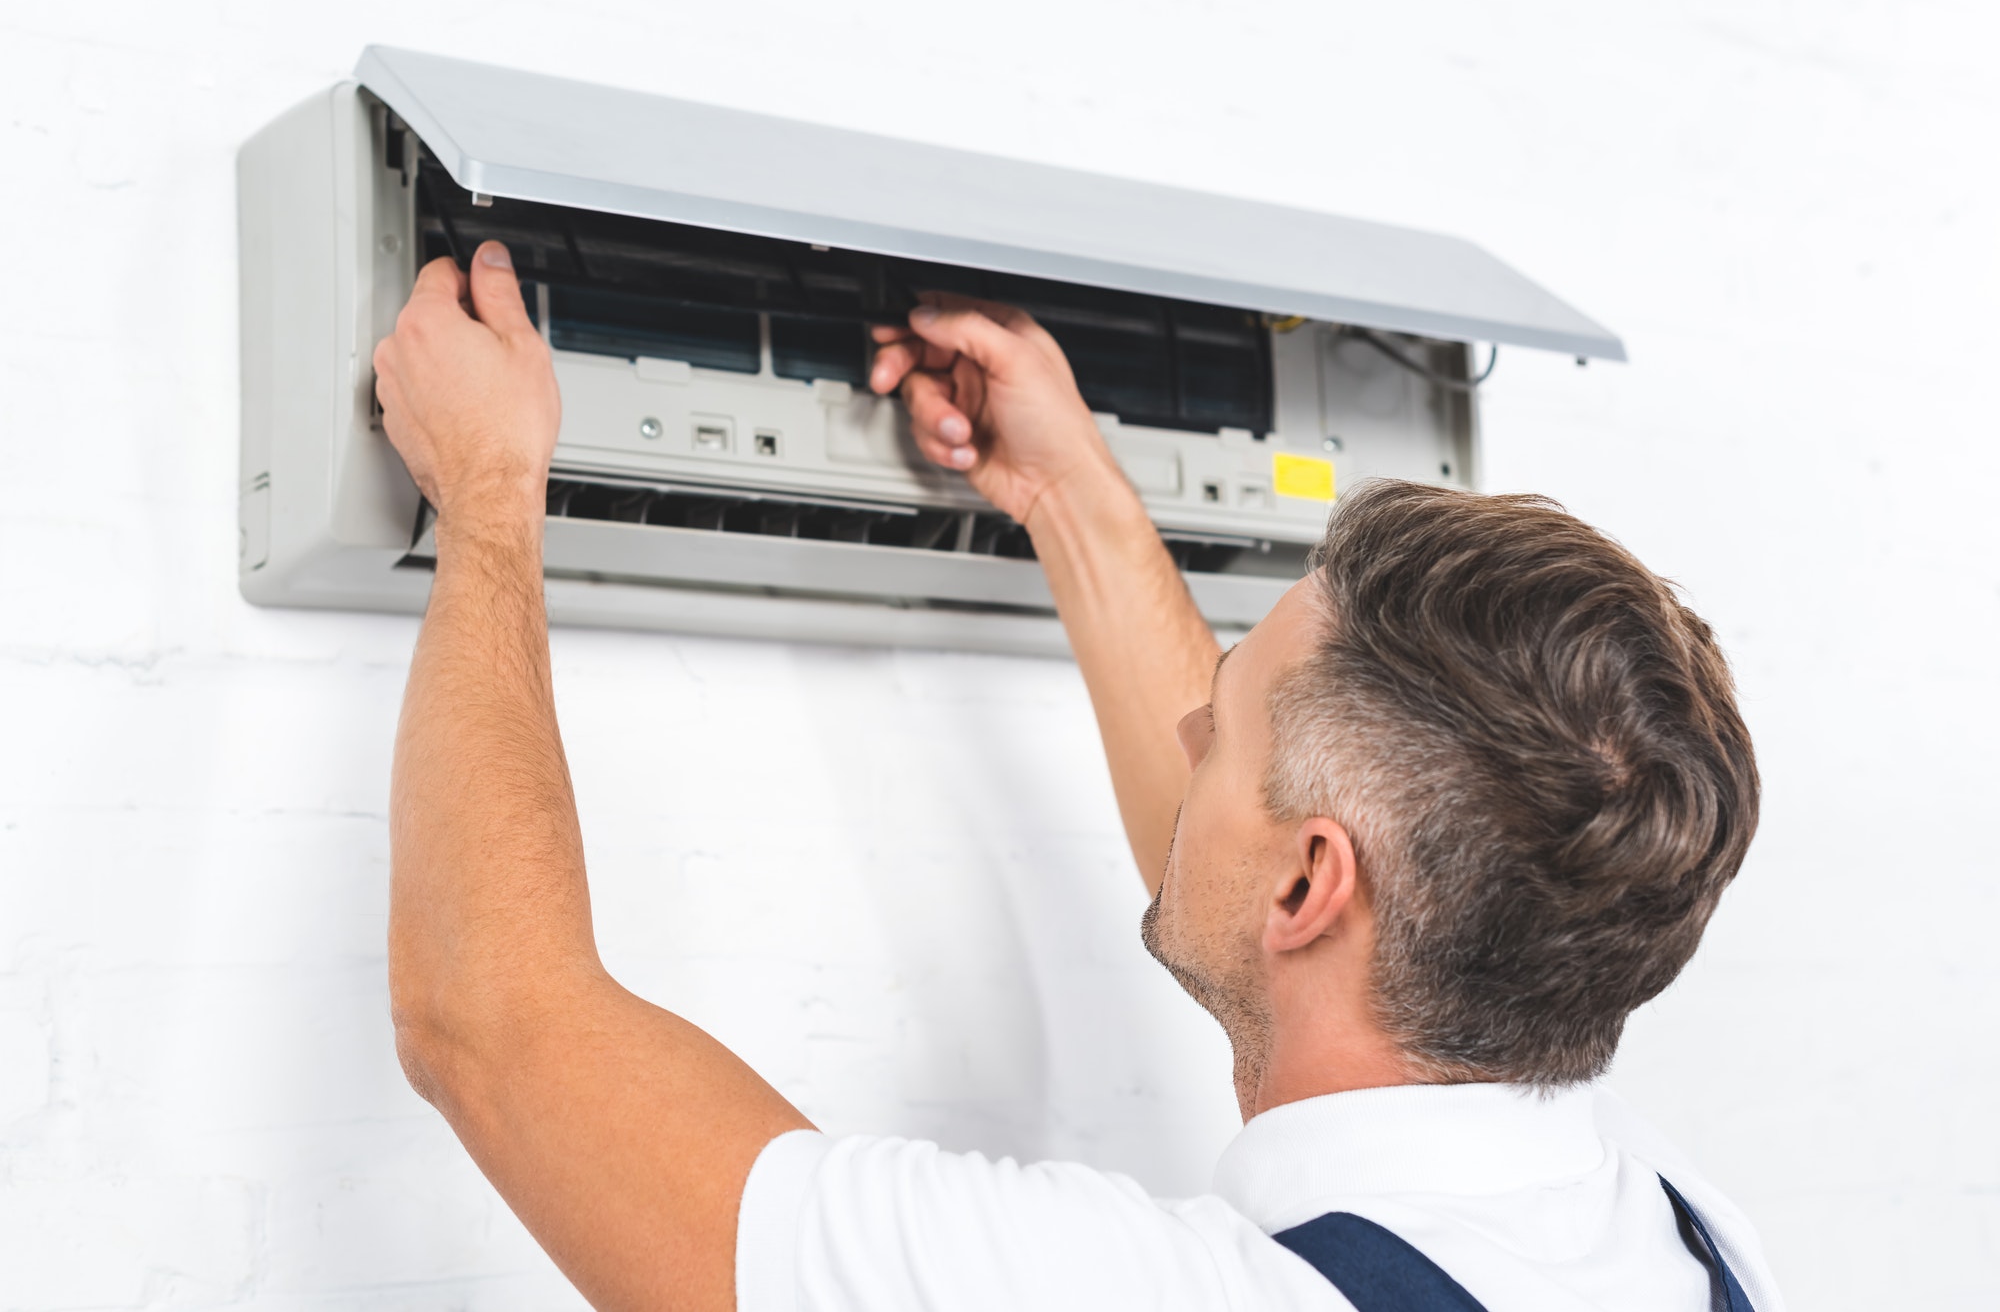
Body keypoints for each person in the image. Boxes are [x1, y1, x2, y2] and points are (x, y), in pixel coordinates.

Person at [370, 239, 1786, 1312]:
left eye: (1219, 731)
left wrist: (489, 498)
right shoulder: (1687, 1239)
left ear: (1309, 883)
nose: (1190, 741)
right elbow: (1270, 873)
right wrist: (1062, 488)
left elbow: (491, 1027)